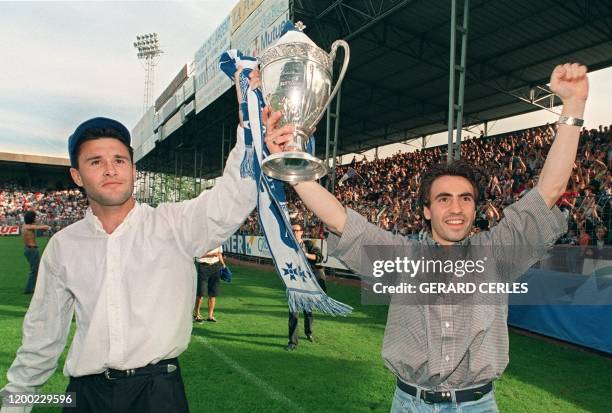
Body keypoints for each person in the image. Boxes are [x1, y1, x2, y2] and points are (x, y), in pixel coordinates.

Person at [264, 63, 589, 411]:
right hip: (410, 403)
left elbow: (550, 191)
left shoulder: (497, 253)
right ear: (426, 211)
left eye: (466, 198)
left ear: (475, 208)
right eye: (443, 198)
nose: (456, 208)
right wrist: (292, 165)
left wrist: (574, 105)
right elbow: (340, 219)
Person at [0, 72, 258, 413]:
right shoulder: (64, 246)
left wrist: (250, 126)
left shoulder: (174, 225)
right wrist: (14, 402)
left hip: (158, 393)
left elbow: (233, 197)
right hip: (84, 397)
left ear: (133, 169)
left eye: (119, 160)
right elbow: (42, 335)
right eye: (96, 162)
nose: (110, 169)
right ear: (77, 176)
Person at [285, 224, 327, 351]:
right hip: (294, 283)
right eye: (292, 230)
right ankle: (292, 342)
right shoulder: (286, 246)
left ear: (301, 232)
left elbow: (319, 257)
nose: (294, 232)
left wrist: (305, 254)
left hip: (307, 283)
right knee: (293, 313)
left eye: (296, 230)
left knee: (308, 311)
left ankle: (308, 333)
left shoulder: (308, 244)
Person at [21, 211, 50, 294]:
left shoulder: (25, 226)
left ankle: (32, 287)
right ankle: (29, 289)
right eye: (34, 217)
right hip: (32, 250)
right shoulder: (28, 227)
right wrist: (47, 226)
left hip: (29, 250)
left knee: (34, 270)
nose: (35, 218)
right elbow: (40, 227)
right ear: (31, 218)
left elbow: (36, 226)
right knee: (34, 270)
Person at [193, 246, 226, 323]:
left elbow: (219, 254)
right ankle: (196, 314)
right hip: (203, 266)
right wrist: (211, 254)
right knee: (201, 293)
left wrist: (223, 264)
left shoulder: (218, 241)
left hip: (215, 266)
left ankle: (210, 316)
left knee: (213, 294)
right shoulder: (201, 241)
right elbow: (197, 255)